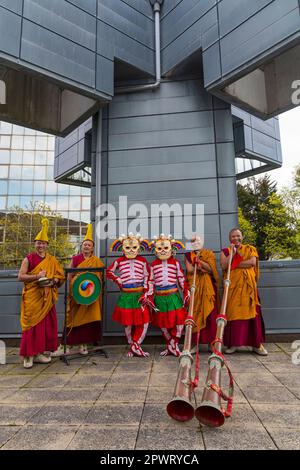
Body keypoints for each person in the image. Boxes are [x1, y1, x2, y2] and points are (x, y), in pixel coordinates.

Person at [52, 223, 104, 357]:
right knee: (72, 319)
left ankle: (83, 345)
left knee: (88, 322)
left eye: (89, 245)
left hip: (91, 296)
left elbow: (100, 279)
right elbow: (69, 276)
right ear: (82, 246)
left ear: (92, 248)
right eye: (84, 244)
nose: (86, 246)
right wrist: (73, 290)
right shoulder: (75, 259)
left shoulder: (96, 261)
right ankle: (66, 345)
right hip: (77, 295)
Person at [18, 218, 65, 368]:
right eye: (38, 243)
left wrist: (55, 281)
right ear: (35, 244)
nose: (40, 245)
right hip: (33, 297)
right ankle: (28, 356)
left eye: (43, 243)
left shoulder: (52, 260)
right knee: (31, 325)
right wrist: (37, 277)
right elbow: (21, 276)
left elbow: (60, 276)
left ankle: (39, 353)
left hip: (47, 296)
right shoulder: (29, 259)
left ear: (47, 245)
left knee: (45, 325)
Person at [220, 227, 268, 355]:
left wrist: (234, 264)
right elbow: (224, 265)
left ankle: (257, 345)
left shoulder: (250, 249)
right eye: (233, 236)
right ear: (229, 239)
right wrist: (233, 254)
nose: (236, 238)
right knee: (233, 315)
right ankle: (233, 344)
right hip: (233, 290)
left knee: (253, 316)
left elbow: (251, 263)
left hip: (248, 289)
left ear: (242, 237)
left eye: (238, 236)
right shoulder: (225, 251)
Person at [106, 233, 151, 357]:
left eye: (134, 247)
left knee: (144, 321)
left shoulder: (142, 261)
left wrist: (146, 292)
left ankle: (135, 346)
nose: (131, 250)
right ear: (122, 248)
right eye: (128, 247)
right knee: (128, 323)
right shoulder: (119, 261)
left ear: (139, 247)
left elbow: (148, 276)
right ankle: (132, 346)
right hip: (126, 296)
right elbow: (109, 271)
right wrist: (118, 280)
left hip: (139, 295)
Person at [149, 234, 189, 357]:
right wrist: (149, 296)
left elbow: (181, 278)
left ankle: (173, 344)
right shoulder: (153, 265)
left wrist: (186, 291)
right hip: (159, 298)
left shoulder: (176, 263)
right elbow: (150, 281)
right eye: (160, 249)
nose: (163, 251)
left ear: (171, 249)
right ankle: (171, 346)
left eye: (166, 248)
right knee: (163, 324)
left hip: (173, 296)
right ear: (155, 251)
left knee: (179, 322)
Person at [185, 235, 219, 353]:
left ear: (202, 242)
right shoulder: (188, 255)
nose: (195, 243)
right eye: (192, 241)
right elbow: (189, 270)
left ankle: (211, 344)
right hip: (195, 288)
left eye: (197, 240)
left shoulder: (208, 254)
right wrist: (201, 267)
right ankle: (195, 344)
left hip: (207, 289)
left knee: (210, 314)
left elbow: (211, 269)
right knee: (194, 314)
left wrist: (199, 262)